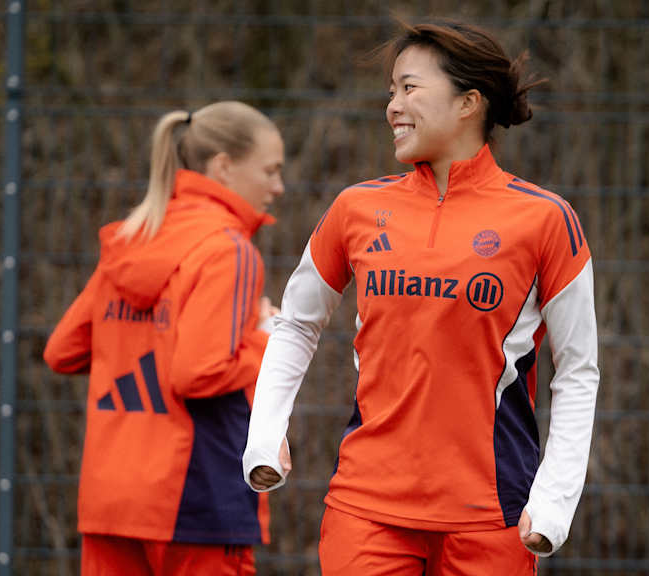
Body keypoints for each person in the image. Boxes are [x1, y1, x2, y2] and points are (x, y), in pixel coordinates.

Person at [242, 20, 599, 574]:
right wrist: (265, 436)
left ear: (469, 102)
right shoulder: (355, 208)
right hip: (366, 507)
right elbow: (296, 324)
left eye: (409, 88)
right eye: (391, 91)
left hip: (493, 515)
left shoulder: (546, 219)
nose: (393, 106)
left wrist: (555, 500)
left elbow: (577, 370)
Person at [44, 100, 285, 575]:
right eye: (270, 171)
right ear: (224, 166)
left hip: (110, 496)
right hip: (194, 498)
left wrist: (135, 340)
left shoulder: (132, 238)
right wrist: (265, 341)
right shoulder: (229, 251)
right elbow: (199, 374)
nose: (278, 186)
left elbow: (62, 351)